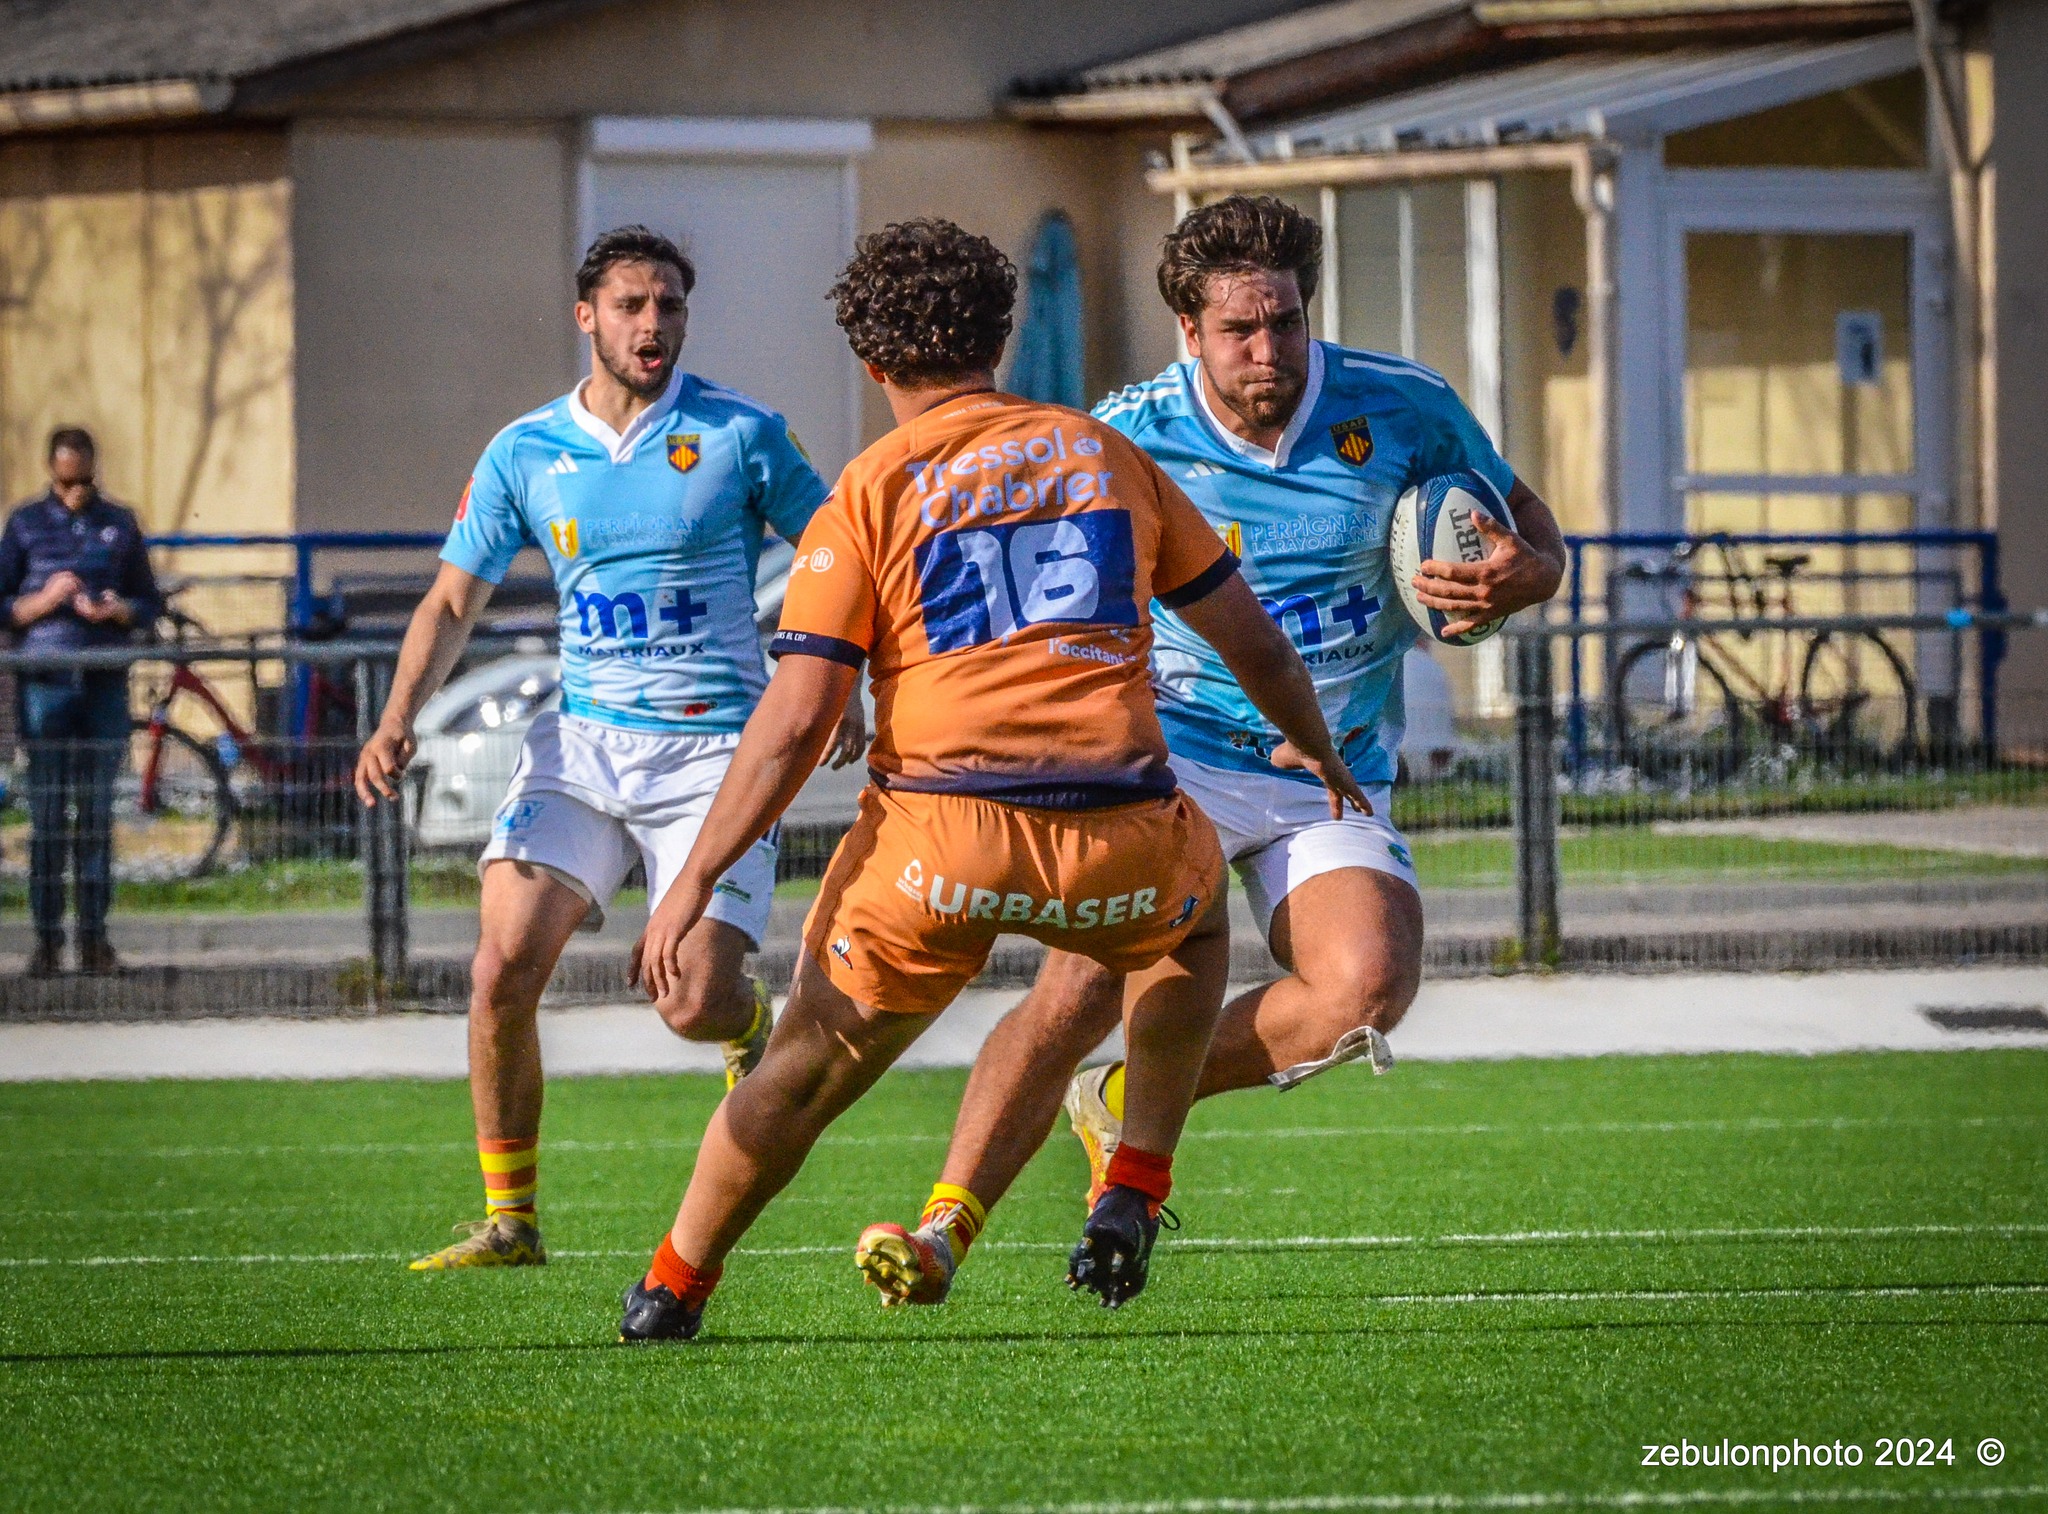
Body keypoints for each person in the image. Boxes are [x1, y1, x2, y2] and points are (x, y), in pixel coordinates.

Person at [614, 217, 1367, 1343]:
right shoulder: (1107, 455)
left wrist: (688, 884)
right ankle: (1135, 1178)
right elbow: (1251, 638)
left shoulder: (869, 488)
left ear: (872, 365)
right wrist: (1314, 743)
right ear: (1001, 336)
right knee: (1193, 930)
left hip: (937, 846)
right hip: (1115, 836)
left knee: (803, 1069)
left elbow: (795, 717)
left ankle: (672, 1285)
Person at [860, 194, 1567, 1303]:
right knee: (1076, 990)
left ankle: (1122, 1104)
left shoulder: (1405, 406)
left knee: (1365, 987)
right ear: (1186, 330)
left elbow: (1532, 529)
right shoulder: (1124, 434)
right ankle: (945, 1224)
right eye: (1237, 330)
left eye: (1284, 321)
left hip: (1325, 768)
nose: (1266, 350)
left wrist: (1524, 572)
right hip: (1166, 761)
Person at [354, 225, 860, 1270]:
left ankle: (742, 1016)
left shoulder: (740, 433)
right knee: (498, 968)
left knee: (689, 1003)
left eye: (669, 305)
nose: (652, 324)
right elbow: (453, 597)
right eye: (631, 305)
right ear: (586, 315)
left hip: (715, 754)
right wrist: (398, 712)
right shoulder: (526, 450)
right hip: (581, 747)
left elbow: (833, 552)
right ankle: (510, 1219)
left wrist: (840, 674)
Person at [1, 428, 163, 978]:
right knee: (47, 817)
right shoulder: (24, 524)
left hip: (101, 683)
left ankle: (94, 940)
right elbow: (3, 606)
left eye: (84, 480)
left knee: (95, 816)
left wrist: (118, 610)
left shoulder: (119, 524)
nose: (75, 493)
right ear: (52, 472)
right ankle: (47, 944)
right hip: (45, 681)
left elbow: (149, 603)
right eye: (65, 481)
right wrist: (42, 603)